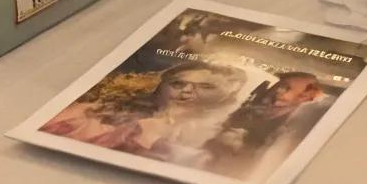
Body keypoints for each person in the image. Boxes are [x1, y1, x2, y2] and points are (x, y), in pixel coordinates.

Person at [43, 64, 248, 166]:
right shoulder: (100, 111)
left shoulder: (214, 135)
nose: (186, 91)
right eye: (178, 84)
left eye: (205, 87)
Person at [203, 72, 330, 180]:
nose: (277, 91)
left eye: (286, 88)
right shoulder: (248, 112)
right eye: (278, 86)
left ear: (305, 97)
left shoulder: (295, 129)